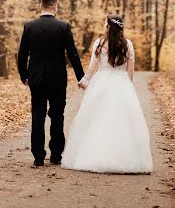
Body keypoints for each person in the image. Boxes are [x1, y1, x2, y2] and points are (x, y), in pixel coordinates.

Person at [61, 14, 153, 173]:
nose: (104, 26)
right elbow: (130, 69)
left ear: (109, 27)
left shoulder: (99, 43)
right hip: (121, 82)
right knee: (122, 121)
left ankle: (94, 155)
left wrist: (85, 81)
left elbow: (93, 66)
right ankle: (125, 158)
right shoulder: (128, 44)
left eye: (105, 24)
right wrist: (128, 86)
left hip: (101, 82)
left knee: (97, 118)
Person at [18, 0, 84, 167]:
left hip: (36, 79)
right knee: (57, 115)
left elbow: (22, 54)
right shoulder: (63, 27)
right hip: (57, 79)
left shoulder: (29, 27)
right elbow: (73, 54)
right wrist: (81, 77)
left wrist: (23, 75)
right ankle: (56, 155)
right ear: (55, 7)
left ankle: (38, 157)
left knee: (38, 115)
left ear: (41, 6)